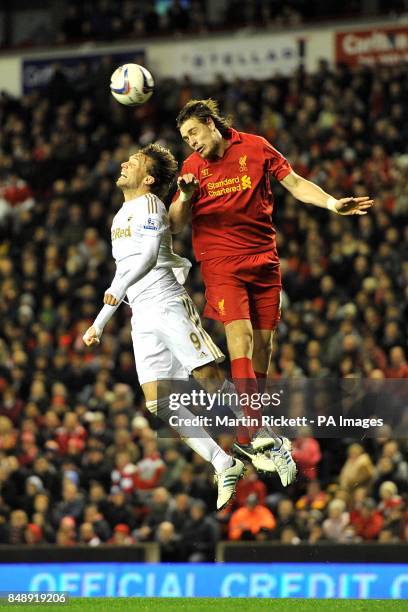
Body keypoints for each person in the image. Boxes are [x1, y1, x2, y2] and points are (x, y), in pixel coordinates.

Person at [169, 98, 374, 478]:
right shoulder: (191, 169)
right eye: (185, 138)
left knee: (264, 344)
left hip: (264, 261)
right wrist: (184, 195)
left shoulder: (256, 147)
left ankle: (250, 429)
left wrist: (331, 204)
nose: (190, 142)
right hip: (221, 264)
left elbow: (295, 183)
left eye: (193, 133)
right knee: (241, 336)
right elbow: (176, 224)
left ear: (211, 124)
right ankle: (253, 425)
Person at [82, 143, 249, 510]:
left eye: (135, 162)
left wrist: (118, 289)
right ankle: (224, 463)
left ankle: (264, 435)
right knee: (158, 401)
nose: (124, 162)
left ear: (149, 178)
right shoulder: (119, 217)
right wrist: (99, 323)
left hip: (166, 300)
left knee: (208, 375)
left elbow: (147, 255)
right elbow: (122, 271)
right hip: (140, 312)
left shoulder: (151, 205)